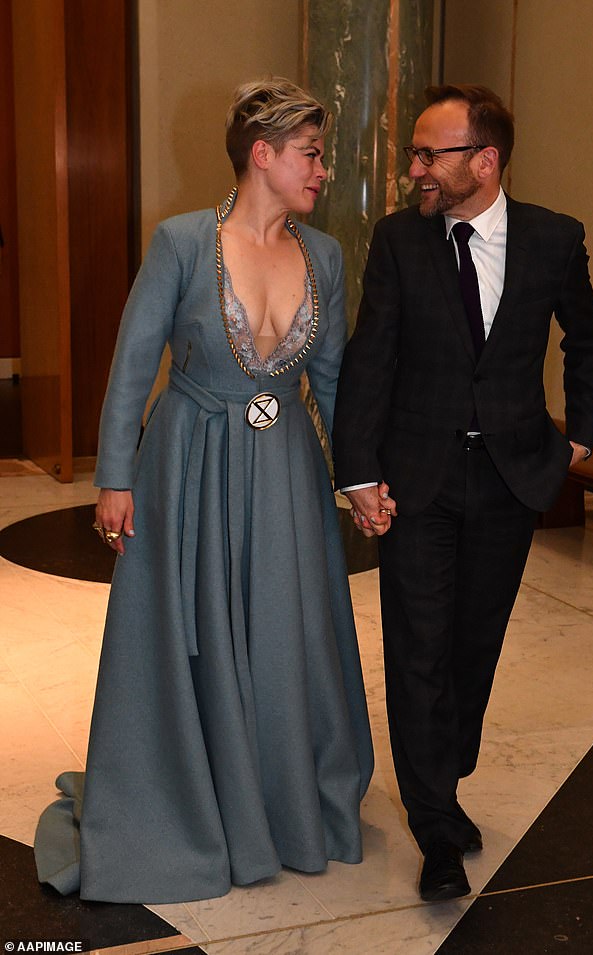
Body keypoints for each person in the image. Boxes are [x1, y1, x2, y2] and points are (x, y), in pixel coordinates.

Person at [34, 78, 373, 904]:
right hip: (187, 460)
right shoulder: (182, 242)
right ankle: (184, 798)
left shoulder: (324, 254)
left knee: (285, 629)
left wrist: (359, 481)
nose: (322, 170)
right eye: (312, 154)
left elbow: (332, 384)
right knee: (193, 631)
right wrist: (115, 476)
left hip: (287, 468)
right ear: (264, 155)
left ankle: (281, 801)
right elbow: (132, 366)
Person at [332, 84, 593, 902]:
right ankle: (435, 822)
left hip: (511, 477)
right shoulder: (399, 241)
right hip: (417, 480)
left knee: (471, 650)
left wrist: (579, 437)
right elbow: (371, 357)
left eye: (430, 154)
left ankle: (443, 781)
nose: (415, 168)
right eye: (416, 152)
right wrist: (357, 471)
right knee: (416, 649)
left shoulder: (555, 239)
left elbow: (587, 339)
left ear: (484, 161)